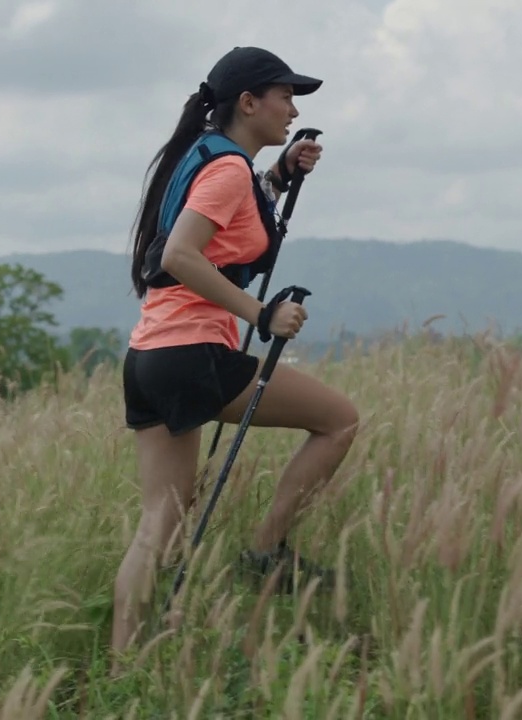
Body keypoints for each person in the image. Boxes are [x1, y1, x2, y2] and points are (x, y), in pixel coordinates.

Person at [111, 46, 361, 665]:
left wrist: (279, 176)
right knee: (339, 420)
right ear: (248, 103)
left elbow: (225, 229)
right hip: (193, 354)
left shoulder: (216, 165)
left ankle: (121, 670)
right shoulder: (224, 171)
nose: (293, 109)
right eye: (285, 97)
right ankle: (266, 552)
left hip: (150, 357)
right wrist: (262, 314)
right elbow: (181, 256)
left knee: (159, 524)